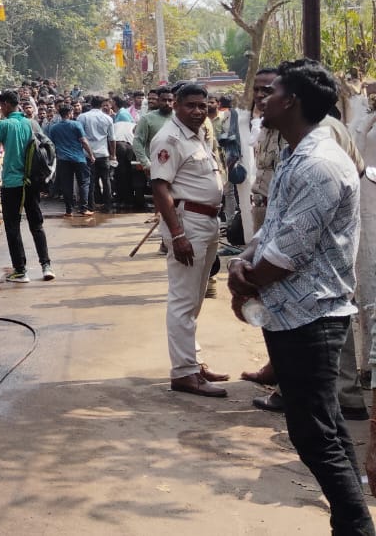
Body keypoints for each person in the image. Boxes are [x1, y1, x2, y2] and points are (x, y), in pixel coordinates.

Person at [225, 61, 375, 536]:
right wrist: (242, 261)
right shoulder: (295, 155)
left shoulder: (318, 164)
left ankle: (355, 525)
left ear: (291, 102)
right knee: (324, 428)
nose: (262, 100)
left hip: (311, 315)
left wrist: (247, 279)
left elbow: (289, 252)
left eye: (272, 93)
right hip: (290, 312)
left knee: (313, 433)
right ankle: (350, 522)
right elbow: (272, 229)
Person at [150, 83, 228, 397]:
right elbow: (160, 188)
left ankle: (192, 361)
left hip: (207, 222)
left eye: (202, 105)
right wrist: (177, 234)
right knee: (183, 300)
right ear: (177, 106)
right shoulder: (169, 138)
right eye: (190, 106)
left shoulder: (196, 136)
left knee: (195, 299)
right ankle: (184, 372)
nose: (197, 111)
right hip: (188, 224)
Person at [0, 90, 55, 283]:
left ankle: (20, 271)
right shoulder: (32, 123)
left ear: (4, 105)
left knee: (13, 227)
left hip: (13, 182)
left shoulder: (4, 124)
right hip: (33, 180)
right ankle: (46, 266)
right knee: (36, 225)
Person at [48, 105, 95, 216]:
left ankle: (69, 210)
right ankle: (83, 209)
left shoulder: (54, 128)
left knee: (66, 184)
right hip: (78, 158)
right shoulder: (76, 125)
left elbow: (52, 143)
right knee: (84, 182)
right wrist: (91, 155)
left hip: (63, 159)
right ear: (69, 113)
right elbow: (83, 141)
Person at [79, 97, 115, 212]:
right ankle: (108, 205)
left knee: (90, 180)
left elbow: (80, 136)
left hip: (87, 154)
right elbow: (112, 139)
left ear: (90, 104)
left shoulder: (82, 117)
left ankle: (91, 205)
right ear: (101, 105)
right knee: (106, 180)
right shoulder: (108, 118)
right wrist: (113, 155)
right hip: (103, 153)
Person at [133, 87, 175, 167]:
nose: (167, 103)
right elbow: (137, 142)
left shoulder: (179, 118)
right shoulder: (147, 119)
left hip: (175, 165)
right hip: (155, 165)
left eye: (170, 100)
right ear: (158, 101)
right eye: (164, 100)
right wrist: (146, 163)